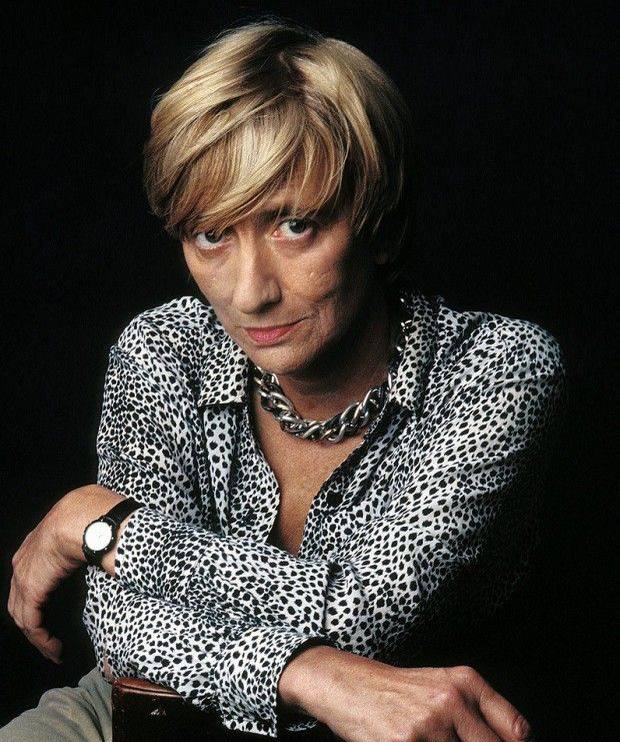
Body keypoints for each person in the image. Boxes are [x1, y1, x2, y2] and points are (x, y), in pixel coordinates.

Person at [3, 17, 566, 742]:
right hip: (145, 713)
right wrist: (308, 676)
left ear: (376, 222)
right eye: (212, 235)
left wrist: (101, 523)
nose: (249, 293)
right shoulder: (163, 346)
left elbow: (362, 617)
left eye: (294, 225)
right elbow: (119, 625)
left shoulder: (497, 368)